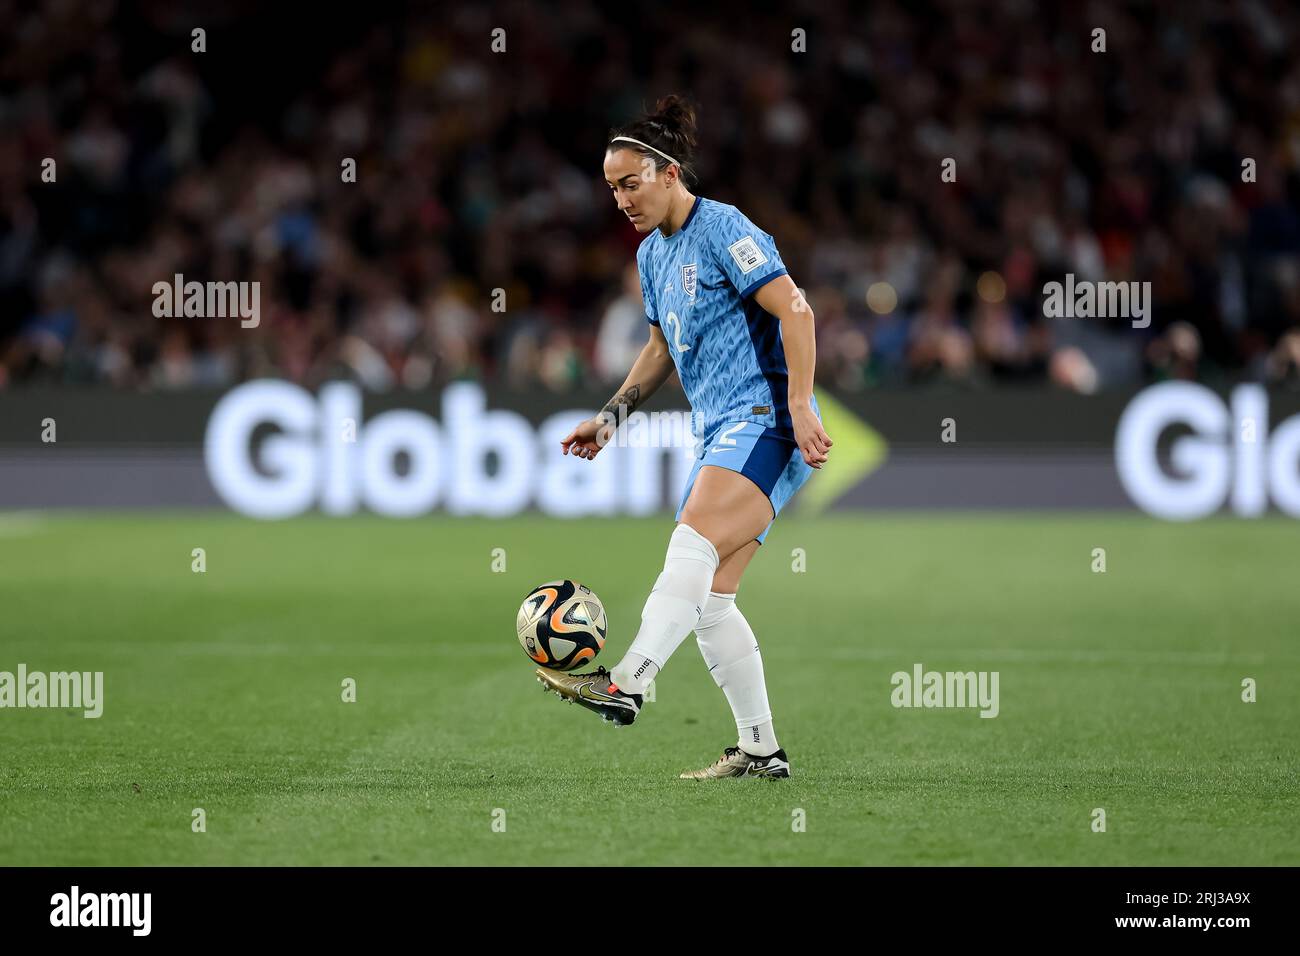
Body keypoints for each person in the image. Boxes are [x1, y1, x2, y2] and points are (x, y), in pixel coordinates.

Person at [537, 95, 832, 780]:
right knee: (712, 602)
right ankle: (760, 749)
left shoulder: (724, 227)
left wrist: (800, 404)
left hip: (764, 420)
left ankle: (630, 682)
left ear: (669, 173)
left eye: (629, 182)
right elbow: (661, 350)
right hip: (722, 430)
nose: (620, 199)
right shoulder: (650, 258)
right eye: (611, 188)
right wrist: (610, 417)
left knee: (691, 540)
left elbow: (795, 307)